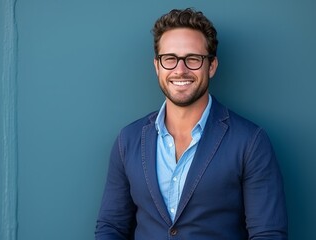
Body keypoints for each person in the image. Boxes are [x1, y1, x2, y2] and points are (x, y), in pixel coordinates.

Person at [95, 8, 288, 240]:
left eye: (193, 59)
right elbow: (111, 227)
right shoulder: (128, 140)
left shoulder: (250, 141)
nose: (180, 69)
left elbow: (268, 234)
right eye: (170, 59)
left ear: (212, 66)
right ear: (157, 66)